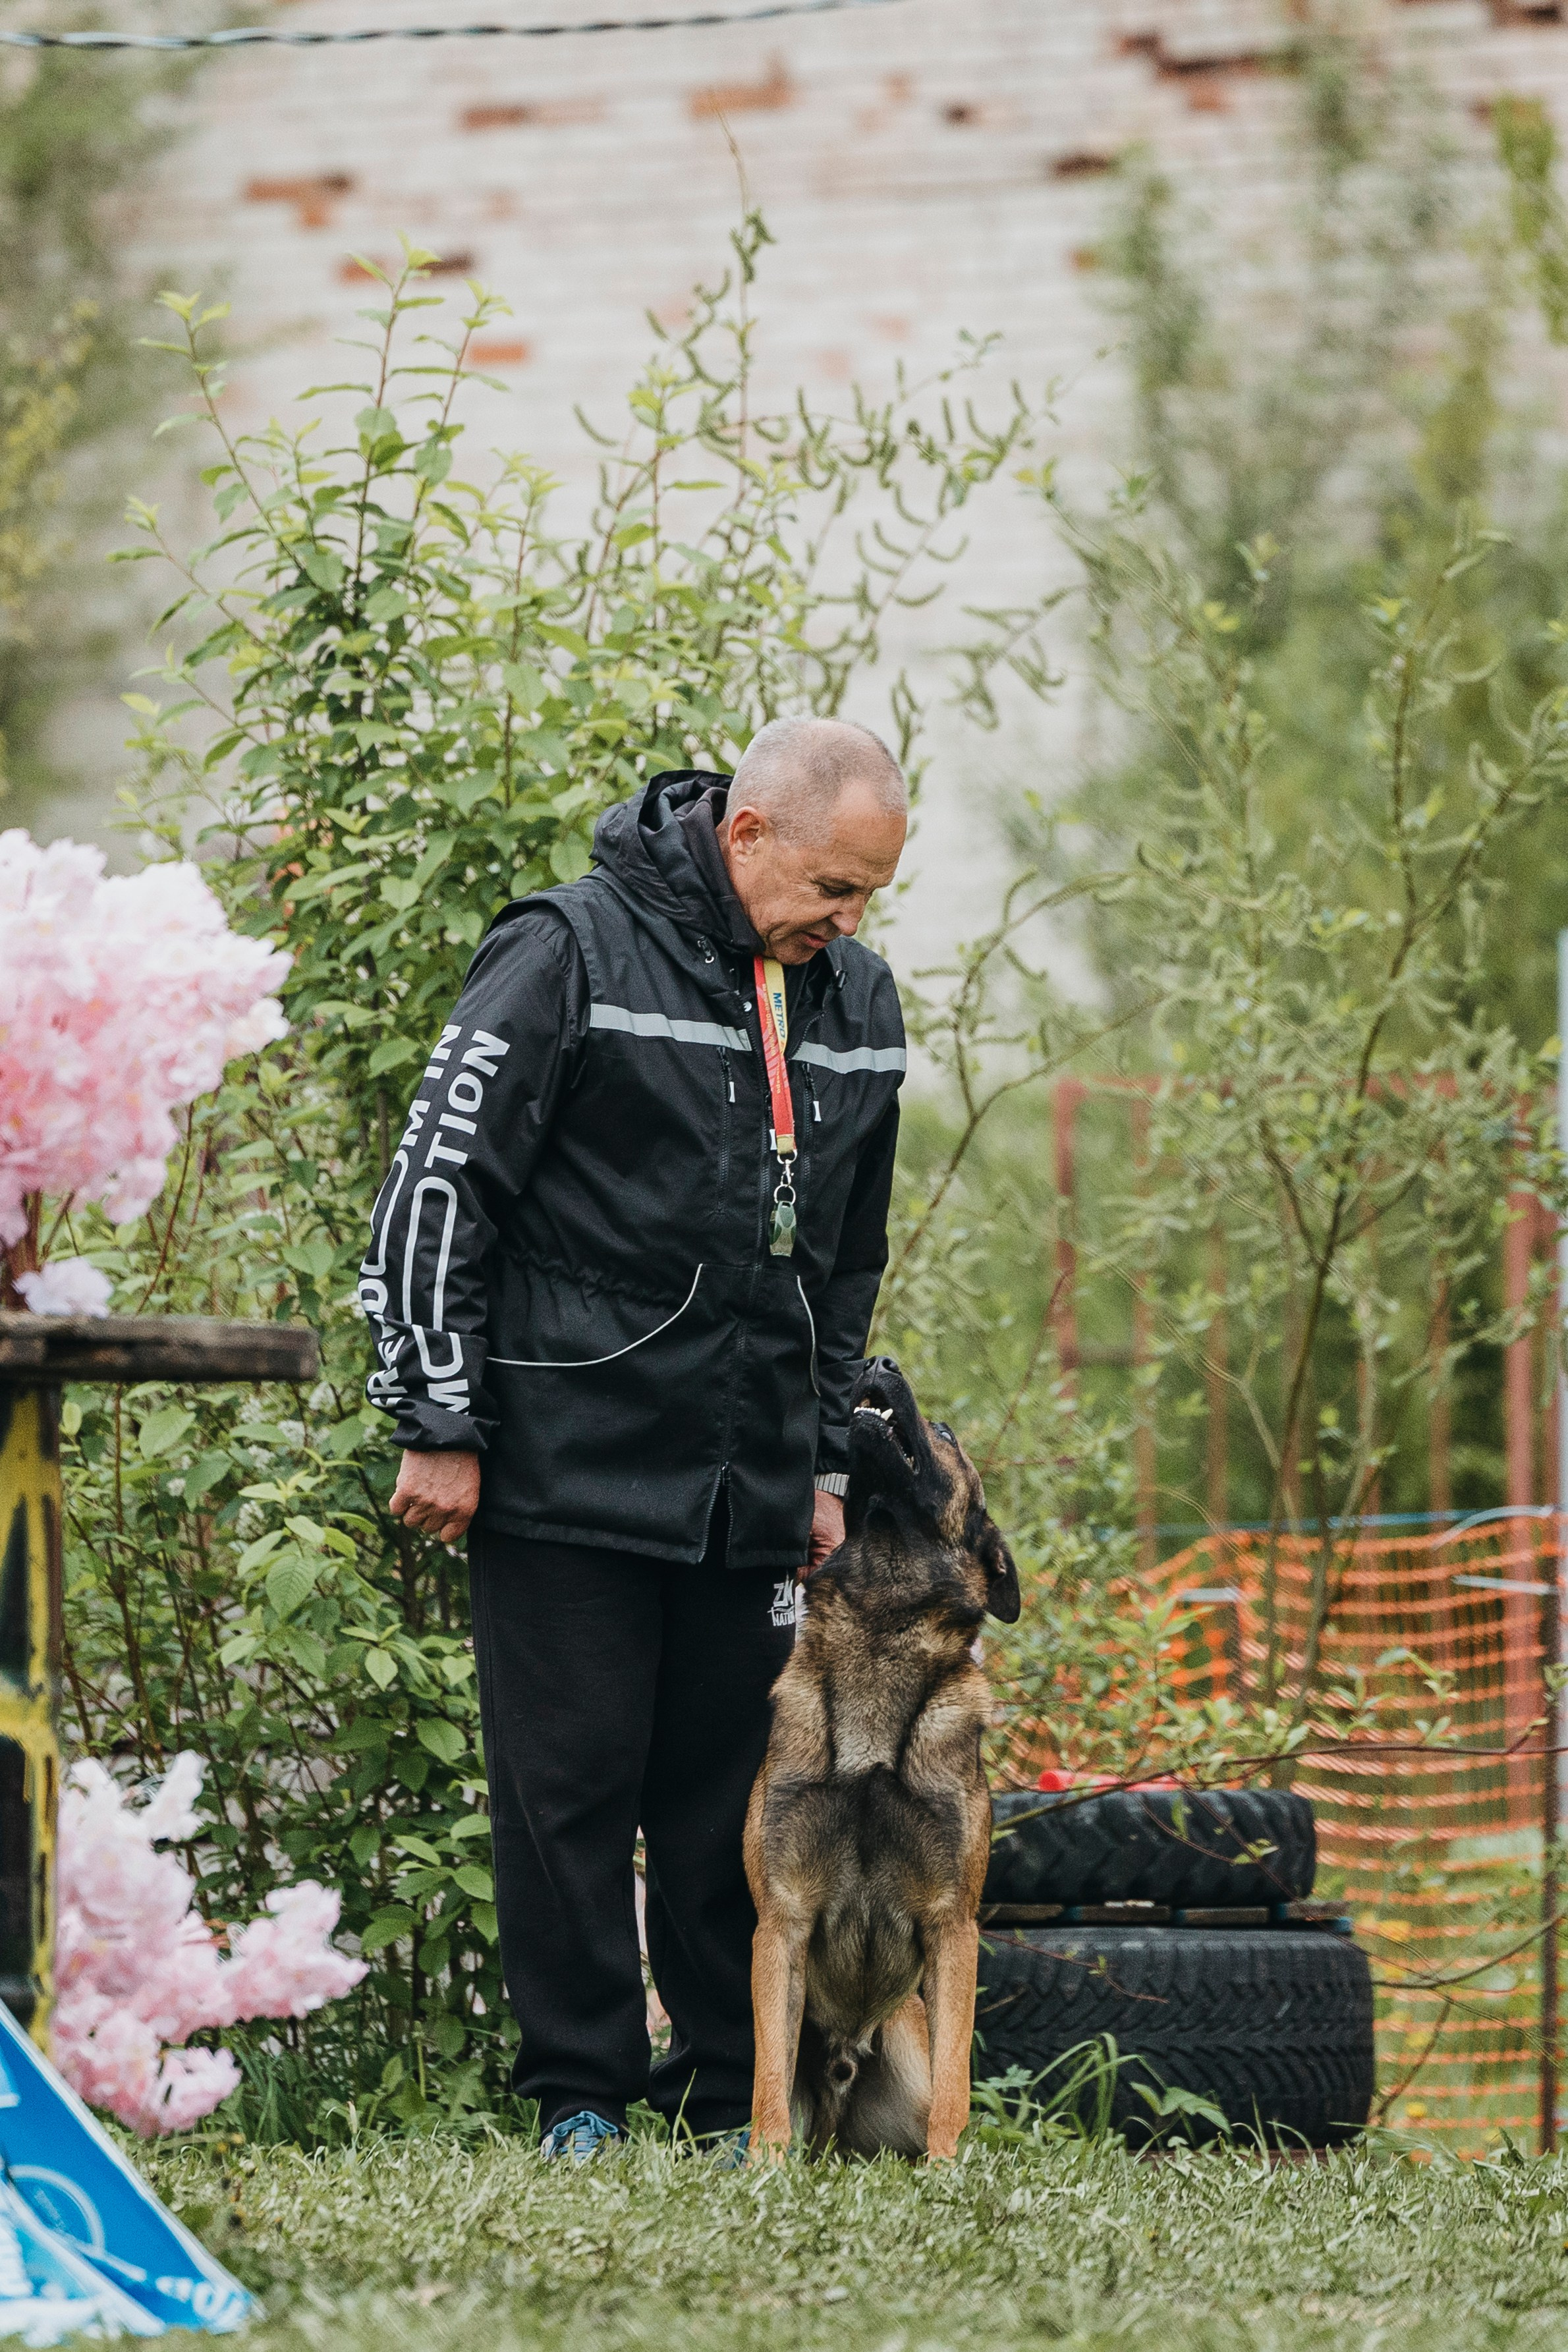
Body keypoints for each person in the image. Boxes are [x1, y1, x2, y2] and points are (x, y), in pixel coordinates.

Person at [358, 715, 908, 2162]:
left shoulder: (856, 1002)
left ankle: (734, 2096)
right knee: (571, 1802)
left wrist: (826, 1462)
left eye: (866, 898)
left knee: (735, 1808)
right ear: (745, 836)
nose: (846, 924)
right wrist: (437, 1417)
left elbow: (843, 1261)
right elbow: (437, 1190)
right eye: (832, 889)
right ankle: (580, 2099)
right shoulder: (564, 952)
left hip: (748, 1483)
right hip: (562, 1465)